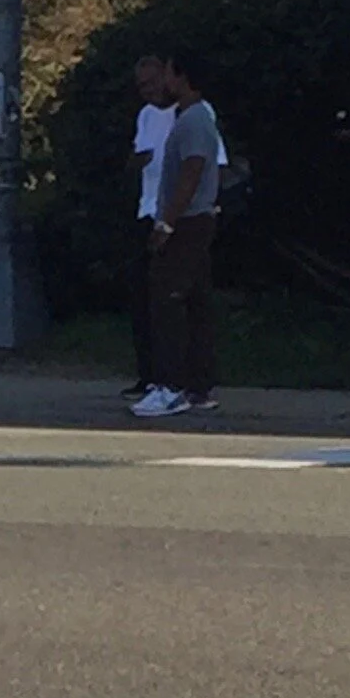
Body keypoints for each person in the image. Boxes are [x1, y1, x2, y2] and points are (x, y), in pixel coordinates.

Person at [130, 51, 223, 421]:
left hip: (187, 221)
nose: (163, 83)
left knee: (168, 300)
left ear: (181, 77)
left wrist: (166, 222)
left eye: (167, 74)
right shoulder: (188, 118)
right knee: (196, 302)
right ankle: (199, 385)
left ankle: (170, 386)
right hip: (193, 219)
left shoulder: (196, 119)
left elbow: (193, 170)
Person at [125, 56, 179, 400]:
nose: (147, 92)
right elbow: (138, 155)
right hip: (147, 209)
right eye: (141, 87)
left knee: (169, 298)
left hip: (174, 214)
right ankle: (147, 373)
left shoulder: (186, 114)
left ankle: (173, 374)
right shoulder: (146, 115)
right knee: (141, 297)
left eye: (152, 84)